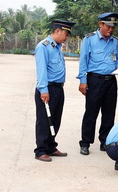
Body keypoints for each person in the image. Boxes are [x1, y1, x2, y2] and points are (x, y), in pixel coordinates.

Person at [76, 12, 118, 155]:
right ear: (100, 24)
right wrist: (82, 81)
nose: (110, 30)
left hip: (111, 81)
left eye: (113, 27)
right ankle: (85, 142)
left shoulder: (114, 41)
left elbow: (116, 59)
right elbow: (83, 61)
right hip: (94, 80)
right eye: (108, 26)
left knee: (109, 113)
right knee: (91, 112)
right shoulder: (89, 39)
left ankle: (105, 141)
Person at [34, 20, 75, 162]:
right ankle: (40, 150)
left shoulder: (57, 47)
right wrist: (43, 90)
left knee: (55, 119)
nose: (67, 37)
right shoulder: (43, 46)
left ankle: (51, 147)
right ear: (57, 31)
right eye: (66, 34)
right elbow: (42, 70)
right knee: (44, 120)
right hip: (48, 88)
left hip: (58, 88)